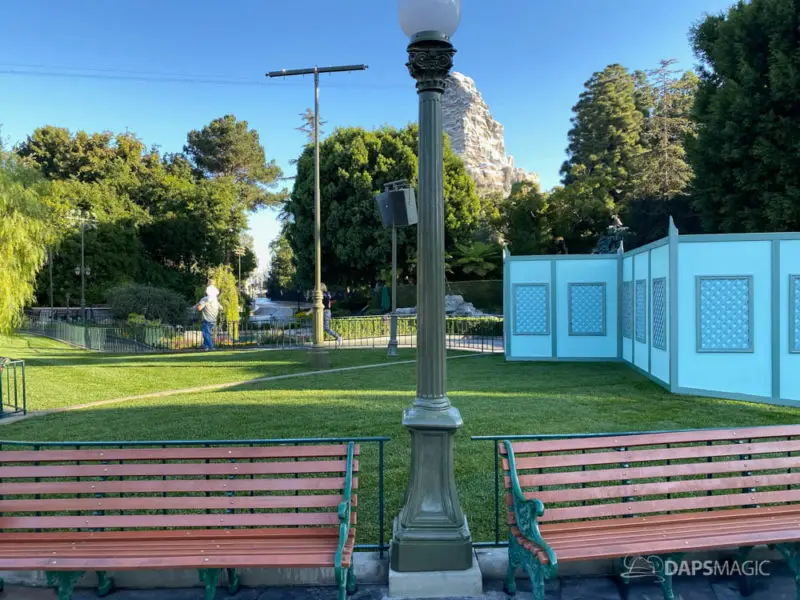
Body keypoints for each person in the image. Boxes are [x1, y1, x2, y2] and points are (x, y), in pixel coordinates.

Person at [197, 282, 221, 351]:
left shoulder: (205, 299)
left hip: (207, 319)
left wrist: (201, 304)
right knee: (207, 333)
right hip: (213, 320)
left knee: (205, 334)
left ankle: (211, 347)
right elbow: (220, 308)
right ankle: (206, 347)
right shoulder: (215, 300)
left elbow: (199, 308)